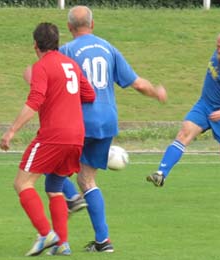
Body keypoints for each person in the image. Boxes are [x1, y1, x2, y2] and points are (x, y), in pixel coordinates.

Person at [57, 5, 167, 253]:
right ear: (92, 25)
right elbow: (137, 84)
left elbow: (56, 84)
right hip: (107, 121)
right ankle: (103, 241)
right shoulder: (108, 48)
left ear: (69, 27)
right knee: (87, 178)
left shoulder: (66, 51)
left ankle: (72, 200)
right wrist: (156, 92)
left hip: (79, 122)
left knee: (48, 165)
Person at [0, 22, 95, 256]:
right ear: (57, 43)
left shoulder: (42, 67)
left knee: (22, 183)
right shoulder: (71, 65)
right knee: (54, 186)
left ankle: (46, 234)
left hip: (54, 135)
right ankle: (62, 244)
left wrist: (11, 131)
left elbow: (34, 101)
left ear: (35, 44)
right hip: (76, 137)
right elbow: (89, 94)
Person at [146, 31, 220, 199]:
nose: (219, 51)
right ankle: (161, 173)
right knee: (184, 133)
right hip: (205, 105)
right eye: (218, 47)